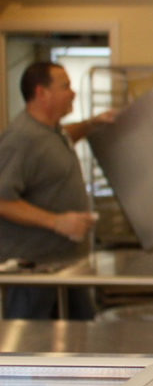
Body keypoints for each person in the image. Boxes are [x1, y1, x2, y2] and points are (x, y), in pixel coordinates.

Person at [0, 61, 115, 319]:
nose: (72, 93)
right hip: (34, 271)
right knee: (32, 350)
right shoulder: (21, 138)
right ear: (42, 93)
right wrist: (57, 222)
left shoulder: (53, 132)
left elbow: (59, 140)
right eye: (65, 87)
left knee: (82, 339)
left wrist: (92, 124)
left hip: (64, 263)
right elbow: (3, 200)